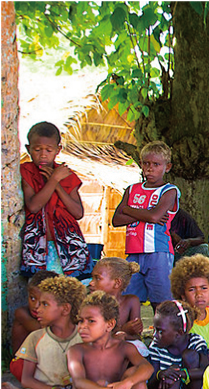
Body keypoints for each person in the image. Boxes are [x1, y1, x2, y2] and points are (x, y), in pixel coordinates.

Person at [112, 141, 180, 311]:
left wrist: (128, 210)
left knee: (161, 301)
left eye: (156, 164)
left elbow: (155, 216)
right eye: (146, 163)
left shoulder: (169, 191)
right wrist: (146, 214)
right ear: (141, 164)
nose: (150, 168)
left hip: (158, 252)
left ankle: (163, 335)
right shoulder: (131, 189)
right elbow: (116, 220)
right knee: (129, 299)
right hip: (133, 252)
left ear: (167, 167)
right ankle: (131, 334)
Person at [21, 121, 88, 277]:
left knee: (66, 290)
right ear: (28, 149)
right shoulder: (26, 171)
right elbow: (33, 206)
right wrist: (53, 180)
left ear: (58, 150)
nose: (43, 154)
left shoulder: (66, 175)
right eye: (37, 150)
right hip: (38, 246)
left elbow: (78, 213)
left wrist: (57, 183)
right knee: (41, 289)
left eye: (48, 150)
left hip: (68, 245)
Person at [8, 276, 86, 389]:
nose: (38, 309)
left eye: (45, 304)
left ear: (65, 309)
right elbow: (26, 380)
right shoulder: (35, 337)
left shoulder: (84, 336)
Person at [67, 291, 153, 389]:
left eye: (91, 321)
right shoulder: (76, 351)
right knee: (98, 385)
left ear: (110, 324)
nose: (83, 326)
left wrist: (126, 384)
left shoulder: (124, 348)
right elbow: (79, 382)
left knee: (135, 376)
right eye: (81, 321)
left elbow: (147, 368)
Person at [146, 300, 209, 389]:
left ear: (179, 333)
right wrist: (161, 375)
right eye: (154, 329)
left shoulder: (195, 341)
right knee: (170, 375)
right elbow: (150, 387)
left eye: (160, 331)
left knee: (189, 356)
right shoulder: (156, 347)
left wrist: (180, 374)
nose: (154, 335)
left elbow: (207, 371)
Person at [87, 258, 145, 351]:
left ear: (117, 283)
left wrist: (125, 334)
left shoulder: (131, 301)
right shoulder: (90, 305)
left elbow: (136, 337)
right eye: (92, 277)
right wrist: (123, 330)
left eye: (97, 278)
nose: (91, 283)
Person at [11, 270, 60, 374]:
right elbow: (46, 332)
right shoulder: (22, 314)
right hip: (24, 366)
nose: (36, 305)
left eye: (44, 302)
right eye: (32, 298)